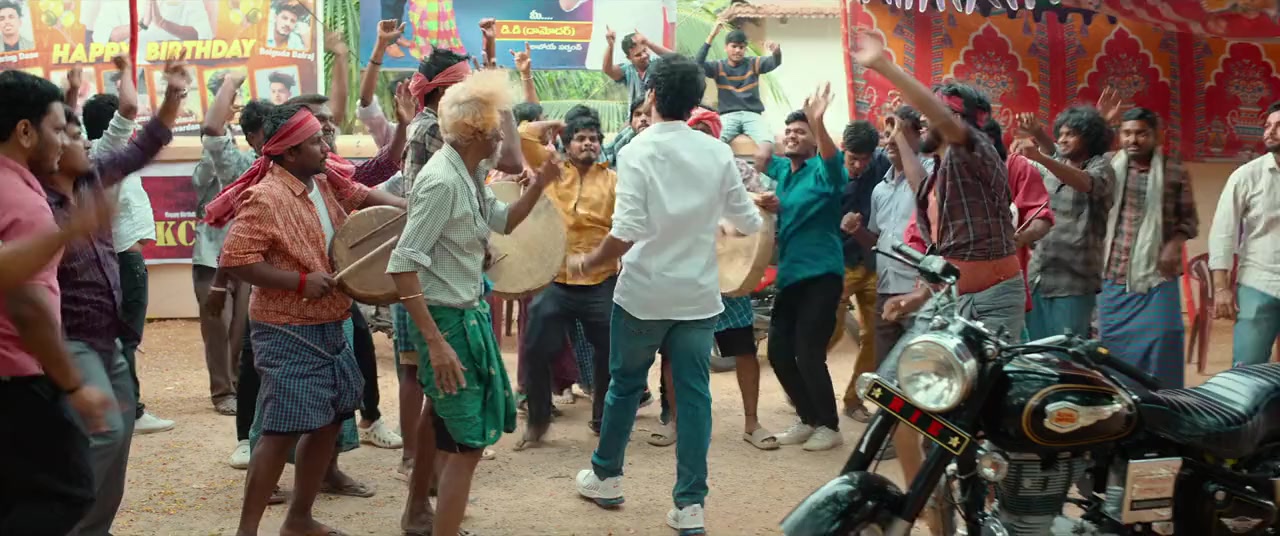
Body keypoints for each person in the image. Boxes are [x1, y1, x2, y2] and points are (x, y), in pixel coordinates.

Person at [571, 53, 769, 535]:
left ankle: (606, 477)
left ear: (653, 94)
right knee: (695, 396)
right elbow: (748, 222)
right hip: (698, 297)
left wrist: (591, 261)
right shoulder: (716, 152)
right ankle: (690, 505)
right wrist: (717, 218)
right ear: (695, 100)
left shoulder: (637, 150)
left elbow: (627, 230)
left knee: (624, 387)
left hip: (643, 294)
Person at [851, 36, 1026, 514]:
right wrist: (916, 297)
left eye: (936, 116)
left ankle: (991, 510)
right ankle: (929, 510)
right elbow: (930, 215)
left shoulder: (979, 153)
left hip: (992, 302)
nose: (926, 122)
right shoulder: (937, 176)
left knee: (982, 418)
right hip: (949, 303)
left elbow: (944, 122)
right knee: (897, 398)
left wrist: (886, 66)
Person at [214, 103, 403, 536]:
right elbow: (235, 259)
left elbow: (366, 198)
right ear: (291, 152)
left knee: (330, 420)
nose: (326, 146)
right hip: (286, 327)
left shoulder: (324, 179)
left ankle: (298, 519)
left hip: (329, 320)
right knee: (280, 432)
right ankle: (247, 531)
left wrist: (409, 210)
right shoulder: (266, 196)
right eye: (316, 141)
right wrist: (298, 282)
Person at [390, 69, 544, 536]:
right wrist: (436, 343)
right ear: (478, 133)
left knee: (442, 418)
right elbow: (402, 264)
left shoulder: (471, 171)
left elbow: (504, 221)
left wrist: (542, 184)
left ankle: (420, 513)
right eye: (497, 128)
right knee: (467, 445)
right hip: (446, 321)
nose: (502, 137)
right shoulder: (442, 182)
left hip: (464, 313)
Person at [43, 56, 186, 536]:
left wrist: (172, 96)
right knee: (102, 433)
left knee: (120, 435)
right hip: (68, 340)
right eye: (72, 135)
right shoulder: (33, 201)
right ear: (47, 149)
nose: (85, 141)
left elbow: (144, 145)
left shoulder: (93, 177)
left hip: (110, 335)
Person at [0, 69, 116, 536]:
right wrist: (73, 386)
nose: (65, 141)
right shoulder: (23, 202)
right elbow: (25, 303)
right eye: (57, 129)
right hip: (18, 378)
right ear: (25, 132)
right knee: (67, 492)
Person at [649, 106, 780, 452]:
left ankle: (752, 423)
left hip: (729, 273)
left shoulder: (737, 168)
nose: (699, 138)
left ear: (716, 136)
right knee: (674, 353)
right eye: (694, 131)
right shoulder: (671, 170)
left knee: (743, 349)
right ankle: (675, 422)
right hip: (684, 273)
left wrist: (766, 203)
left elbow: (758, 210)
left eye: (706, 132)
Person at [80, 56, 177, 435]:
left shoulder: (98, 155)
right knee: (126, 338)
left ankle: (120, 407)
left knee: (121, 338)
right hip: (123, 260)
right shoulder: (105, 152)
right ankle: (131, 411)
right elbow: (129, 110)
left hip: (119, 259)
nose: (133, 126)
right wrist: (125, 71)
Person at [515, 108, 618, 449]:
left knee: (610, 353)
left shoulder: (613, 180)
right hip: (556, 280)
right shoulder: (554, 171)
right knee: (535, 346)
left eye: (594, 139)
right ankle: (537, 421)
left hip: (600, 280)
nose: (588, 144)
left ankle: (603, 421)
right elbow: (523, 135)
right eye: (581, 138)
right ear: (568, 143)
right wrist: (556, 125)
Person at [753, 83, 846, 452]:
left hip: (822, 274)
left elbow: (832, 160)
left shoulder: (825, 171)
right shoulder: (785, 172)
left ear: (814, 142)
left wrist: (818, 121)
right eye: (789, 131)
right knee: (778, 352)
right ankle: (808, 419)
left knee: (808, 352)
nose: (792, 136)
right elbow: (762, 159)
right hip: (790, 275)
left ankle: (830, 426)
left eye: (800, 132)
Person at [1088, 107, 1199, 388]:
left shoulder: (1174, 170)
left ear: (1156, 136)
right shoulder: (1107, 166)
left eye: (1141, 133)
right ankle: (1121, 403)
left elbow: (1189, 220)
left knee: (1165, 336)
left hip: (1156, 274)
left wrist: (1174, 244)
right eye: (1126, 133)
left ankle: (1164, 404)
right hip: (1112, 273)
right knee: (1112, 346)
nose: (1133, 140)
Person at [193, 72, 267, 421]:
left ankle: (238, 386)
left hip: (246, 259)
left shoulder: (261, 163)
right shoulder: (228, 160)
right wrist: (230, 85)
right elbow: (202, 175)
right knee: (217, 326)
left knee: (241, 327)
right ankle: (222, 390)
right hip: (212, 254)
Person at [1017, 103, 1117, 340]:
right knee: (1034, 351)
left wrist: (1040, 157)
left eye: (1070, 134)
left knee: (1065, 352)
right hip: (1039, 275)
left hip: (1074, 282)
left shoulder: (1102, 167)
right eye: (1060, 134)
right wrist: (1038, 133)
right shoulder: (1057, 163)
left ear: (1089, 138)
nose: (1062, 139)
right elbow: (1054, 153)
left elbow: (1085, 182)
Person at [1209, 100, 1280, 367]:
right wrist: (1221, 288)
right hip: (1259, 283)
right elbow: (1223, 233)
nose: (1270, 132)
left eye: (1278, 126)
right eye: (1268, 126)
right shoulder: (1247, 176)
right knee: (1248, 370)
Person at [832, 119, 891, 422]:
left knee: (874, 336)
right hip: (839, 263)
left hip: (873, 263)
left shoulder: (883, 164)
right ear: (843, 148)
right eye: (853, 158)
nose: (858, 165)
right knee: (828, 330)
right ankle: (803, 384)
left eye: (864, 159)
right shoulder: (828, 169)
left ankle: (854, 400)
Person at [695, 23, 781, 150]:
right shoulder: (718, 66)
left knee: (767, 145)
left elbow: (774, 62)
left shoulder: (753, 63)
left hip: (752, 115)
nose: (737, 50)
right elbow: (697, 64)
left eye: (741, 47)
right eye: (734, 46)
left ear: (745, 49)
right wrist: (711, 36)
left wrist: (776, 52)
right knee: (713, 145)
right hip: (728, 116)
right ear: (726, 48)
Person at [603, 27, 674, 108]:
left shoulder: (658, 63)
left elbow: (675, 59)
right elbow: (608, 70)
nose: (644, 56)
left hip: (657, 114)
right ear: (629, 58)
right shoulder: (627, 70)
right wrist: (610, 46)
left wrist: (648, 42)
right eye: (638, 55)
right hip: (636, 115)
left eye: (645, 50)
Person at [600, 98, 651, 167]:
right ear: (630, 122)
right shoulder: (622, 140)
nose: (643, 119)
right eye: (638, 114)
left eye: (649, 114)